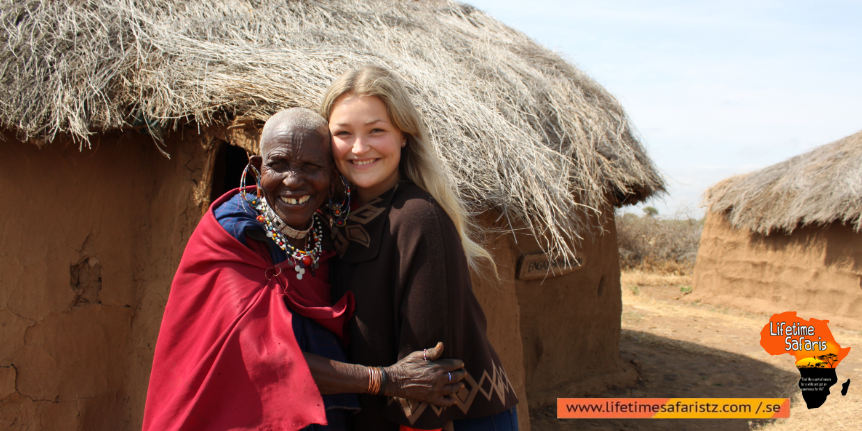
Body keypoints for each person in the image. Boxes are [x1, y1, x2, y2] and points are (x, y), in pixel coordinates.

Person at [143, 108, 468, 431]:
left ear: (332, 175)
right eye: (278, 164)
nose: (294, 181)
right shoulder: (234, 235)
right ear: (257, 169)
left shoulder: (326, 239)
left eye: (311, 167)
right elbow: (267, 359)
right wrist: (385, 380)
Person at [321, 66, 520, 431]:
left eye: (376, 130)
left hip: (450, 420)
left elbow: (427, 369)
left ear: (404, 136)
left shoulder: (416, 217)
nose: (359, 148)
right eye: (343, 133)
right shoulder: (338, 217)